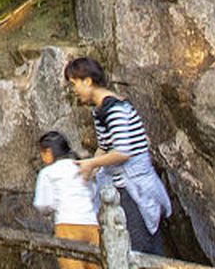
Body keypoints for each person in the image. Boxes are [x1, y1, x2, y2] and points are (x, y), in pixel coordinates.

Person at [64, 56, 172, 254]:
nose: (74, 91)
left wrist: (91, 164)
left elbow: (122, 152)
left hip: (133, 190)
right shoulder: (99, 111)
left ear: (87, 81)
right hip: (119, 188)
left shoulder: (115, 109)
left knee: (140, 251)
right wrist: (90, 169)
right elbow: (104, 147)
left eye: (74, 84)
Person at [33, 130, 101, 269]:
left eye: (42, 153)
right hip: (92, 225)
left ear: (49, 152)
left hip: (67, 225)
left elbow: (42, 204)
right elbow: (93, 192)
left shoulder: (47, 173)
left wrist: (51, 208)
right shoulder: (81, 166)